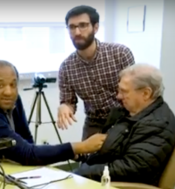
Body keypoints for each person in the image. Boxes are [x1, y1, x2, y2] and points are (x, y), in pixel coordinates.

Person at [0, 60, 107, 165]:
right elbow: (26, 154)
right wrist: (80, 146)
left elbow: (26, 141)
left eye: (13, 84)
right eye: (0, 85)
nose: (8, 91)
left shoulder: (13, 100)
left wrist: (36, 159)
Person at [74, 64, 175, 185]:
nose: (118, 96)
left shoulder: (157, 124)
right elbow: (111, 151)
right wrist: (81, 156)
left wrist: (81, 174)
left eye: (124, 91)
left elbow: (133, 167)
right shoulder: (129, 113)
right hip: (103, 177)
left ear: (146, 93)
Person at [58, 5, 136, 140]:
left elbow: (136, 91)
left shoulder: (120, 53)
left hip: (125, 116)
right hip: (94, 121)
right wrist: (64, 107)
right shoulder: (66, 67)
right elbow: (68, 101)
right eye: (72, 27)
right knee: (88, 159)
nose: (77, 32)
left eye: (83, 25)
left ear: (95, 27)